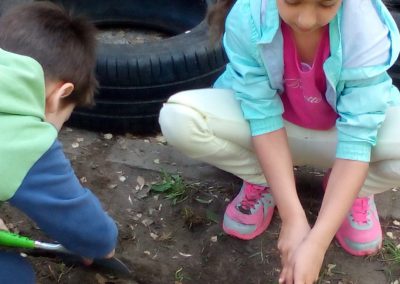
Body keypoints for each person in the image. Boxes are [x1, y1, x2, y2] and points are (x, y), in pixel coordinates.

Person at [159, 0, 400, 283]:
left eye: (326, 4)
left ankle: (353, 191)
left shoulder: (367, 27)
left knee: (363, 147)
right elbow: (263, 119)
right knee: (180, 118)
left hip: (341, 136)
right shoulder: (248, 16)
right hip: (274, 128)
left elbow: (358, 140)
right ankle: (264, 180)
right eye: (292, 1)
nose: (307, 20)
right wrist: (293, 217)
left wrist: (317, 241)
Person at [0, 2, 118, 282]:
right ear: (59, 94)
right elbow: (96, 237)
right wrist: (101, 245)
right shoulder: (23, 138)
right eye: (62, 119)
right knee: (15, 275)